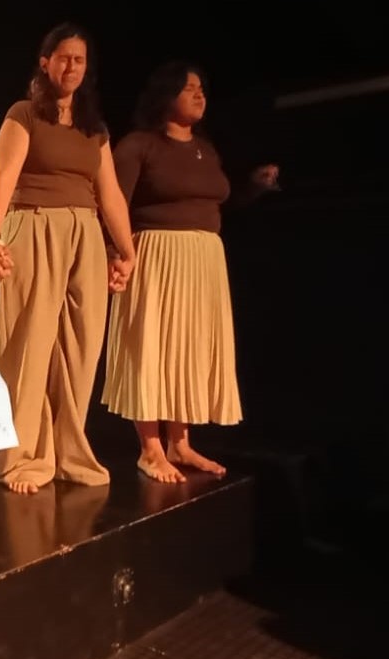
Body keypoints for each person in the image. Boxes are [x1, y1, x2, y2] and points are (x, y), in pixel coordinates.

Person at [0, 23, 137, 494]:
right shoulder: (24, 113)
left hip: (84, 232)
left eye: (79, 60)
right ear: (45, 63)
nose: (71, 66)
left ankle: (68, 451)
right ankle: (23, 456)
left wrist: (126, 251)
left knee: (81, 346)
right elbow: (4, 175)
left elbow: (110, 193)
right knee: (29, 344)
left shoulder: (94, 128)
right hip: (34, 225)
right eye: (63, 57)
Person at [100, 61, 278, 483]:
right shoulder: (139, 145)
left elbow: (215, 205)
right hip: (156, 256)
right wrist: (114, 255)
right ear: (166, 95)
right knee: (151, 347)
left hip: (202, 261)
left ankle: (179, 443)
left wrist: (254, 187)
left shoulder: (205, 148)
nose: (200, 95)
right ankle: (150, 449)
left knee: (187, 349)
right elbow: (112, 205)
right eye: (188, 88)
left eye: (201, 88)